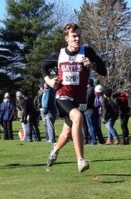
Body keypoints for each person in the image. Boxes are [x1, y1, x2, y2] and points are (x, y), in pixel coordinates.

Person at [41, 23, 107, 172]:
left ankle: (54, 150)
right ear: (67, 38)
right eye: (74, 36)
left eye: (79, 35)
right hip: (62, 96)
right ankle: (80, 160)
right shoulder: (59, 54)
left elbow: (104, 71)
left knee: (66, 134)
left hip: (79, 99)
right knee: (77, 117)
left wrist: (93, 64)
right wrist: (50, 81)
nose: (77, 39)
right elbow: (44, 67)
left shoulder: (87, 52)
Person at [84, 79, 105, 145]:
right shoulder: (95, 89)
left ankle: (93, 140)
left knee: (91, 126)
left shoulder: (89, 90)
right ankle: (101, 140)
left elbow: (87, 100)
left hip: (89, 110)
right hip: (95, 110)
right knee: (96, 126)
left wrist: (84, 108)